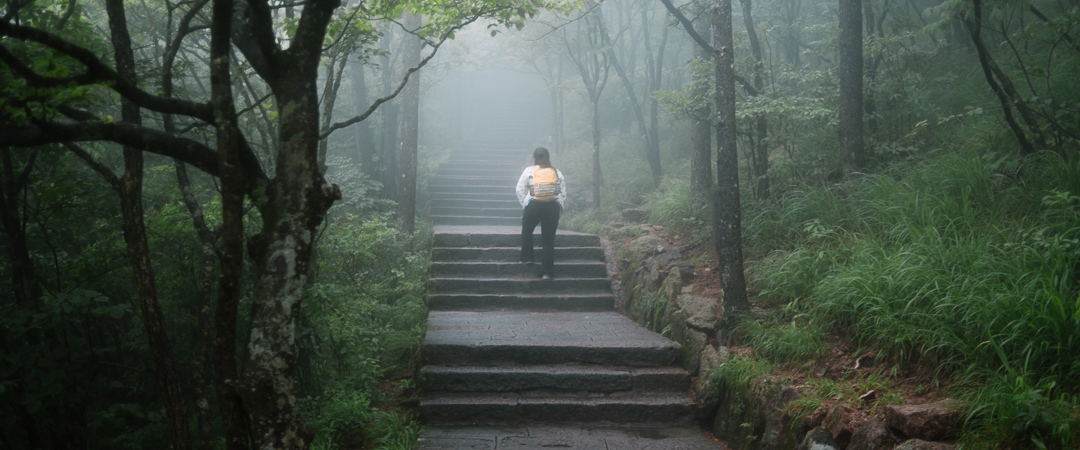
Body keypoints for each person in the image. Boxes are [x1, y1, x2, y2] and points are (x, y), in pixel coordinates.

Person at [515, 147, 566, 280]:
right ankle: (547, 273)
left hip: (533, 205)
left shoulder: (529, 171)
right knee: (548, 241)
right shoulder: (556, 171)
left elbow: (519, 189)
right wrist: (558, 206)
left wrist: (525, 205)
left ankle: (527, 257)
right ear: (548, 157)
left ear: (534, 158)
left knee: (527, 230)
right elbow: (562, 192)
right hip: (552, 207)